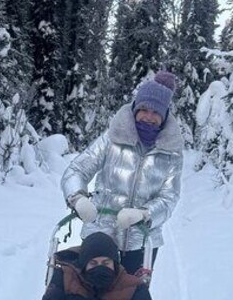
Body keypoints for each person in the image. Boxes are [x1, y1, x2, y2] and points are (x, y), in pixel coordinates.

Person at [61, 71, 183, 275]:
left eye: (156, 112)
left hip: (142, 244)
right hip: (99, 237)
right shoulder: (112, 139)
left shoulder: (172, 153)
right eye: (144, 109)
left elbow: (170, 197)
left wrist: (145, 214)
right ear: (135, 108)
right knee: (90, 299)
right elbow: (76, 170)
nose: (149, 117)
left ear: (163, 116)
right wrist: (78, 199)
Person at [34, 232, 154, 300]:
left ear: (115, 265)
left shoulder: (134, 288)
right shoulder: (64, 278)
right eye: (93, 263)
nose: (100, 267)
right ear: (84, 265)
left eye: (106, 263)